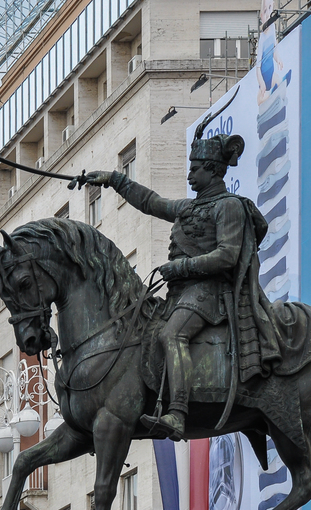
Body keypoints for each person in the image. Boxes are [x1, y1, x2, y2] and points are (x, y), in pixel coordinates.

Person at [86, 133, 280, 440]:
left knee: (171, 333)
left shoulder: (229, 206)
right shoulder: (189, 207)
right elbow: (151, 202)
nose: (190, 174)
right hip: (182, 294)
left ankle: (177, 412)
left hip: (211, 293)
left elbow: (228, 256)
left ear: (213, 169)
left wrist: (181, 266)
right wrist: (114, 180)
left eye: (196, 167)